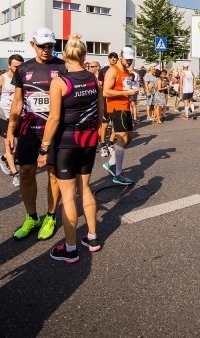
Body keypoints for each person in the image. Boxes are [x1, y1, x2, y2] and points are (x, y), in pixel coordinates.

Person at [37, 34, 105, 263]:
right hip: (88, 140)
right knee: (85, 189)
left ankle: (70, 248)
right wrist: (93, 134)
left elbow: (54, 118)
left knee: (68, 197)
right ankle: (93, 238)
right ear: (85, 56)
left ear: (64, 56)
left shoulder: (60, 82)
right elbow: (100, 115)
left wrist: (43, 148)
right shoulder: (94, 80)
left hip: (66, 143)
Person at [6, 28, 68, 241]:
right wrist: (10, 130)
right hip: (28, 129)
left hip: (54, 129)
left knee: (53, 172)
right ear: (33, 44)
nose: (46, 50)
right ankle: (31, 217)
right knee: (25, 171)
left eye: (50, 46)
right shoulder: (23, 69)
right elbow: (17, 101)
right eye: (42, 46)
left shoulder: (62, 66)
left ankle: (50, 216)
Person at [101, 47, 141, 185]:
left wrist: (132, 92)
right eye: (127, 59)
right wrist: (126, 93)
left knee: (129, 138)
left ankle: (111, 163)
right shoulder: (112, 71)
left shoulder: (125, 71)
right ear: (120, 56)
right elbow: (106, 92)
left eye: (131, 60)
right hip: (116, 108)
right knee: (122, 138)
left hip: (126, 107)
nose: (129, 62)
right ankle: (118, 174)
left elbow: (124, 89)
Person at [0, 53, 25, 186]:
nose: (18, 69)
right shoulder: (1, 79)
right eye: (16, 66)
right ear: (9, 65)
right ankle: (15, 174)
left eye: (21, 66)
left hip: (21, 115)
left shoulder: (24, 78)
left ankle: (3, 158)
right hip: (5, 116)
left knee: (22, 146)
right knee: (10, 145)